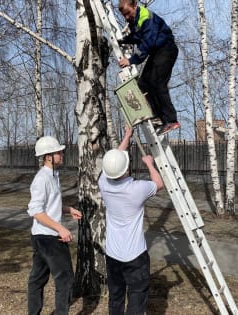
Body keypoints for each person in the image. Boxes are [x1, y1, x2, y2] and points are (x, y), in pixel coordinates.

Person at [98, 126, 164, 315]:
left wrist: (127, 135)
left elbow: (115, 159)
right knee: (137, 297)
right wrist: (150, 164)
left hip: (112, 254)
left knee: (116, 296)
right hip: (135, 256)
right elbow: (159, 184)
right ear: (126, 168)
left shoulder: (103, 183)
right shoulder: (137, 189)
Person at [27, 136, 82, 315]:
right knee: (65, 280)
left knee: (37, 280)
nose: (61, 154)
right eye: (58, 152)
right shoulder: (42, 179)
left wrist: (68, 209)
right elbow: (35, 210)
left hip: (41, 236)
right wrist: (60, 228)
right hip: (49, 238)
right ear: (48, 156)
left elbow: (49, 206)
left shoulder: (53, 175)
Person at [118, 0, 180, 136]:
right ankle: (157, 117)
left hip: (166, 50)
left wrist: (130, 60)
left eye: (128, 13)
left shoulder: (147, 18)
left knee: (158, 83)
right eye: (125, 16)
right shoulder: (136, 19)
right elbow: (137, 36)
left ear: (135, 6)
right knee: (144, 84)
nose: (127, 17)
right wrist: (124, 40)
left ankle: (171, 120)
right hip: (157, 52)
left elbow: (146, 44)